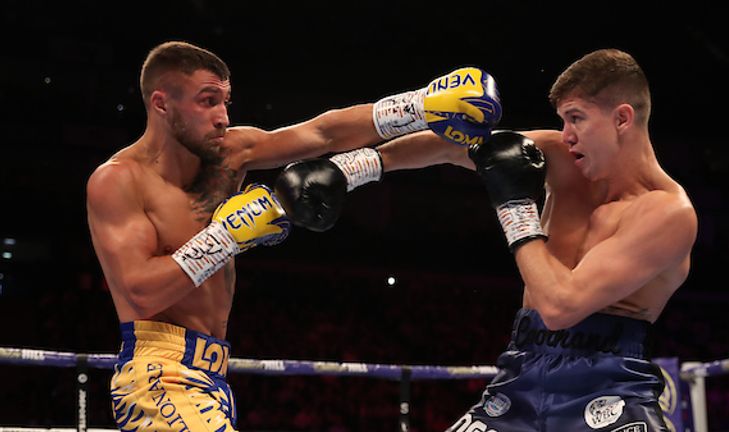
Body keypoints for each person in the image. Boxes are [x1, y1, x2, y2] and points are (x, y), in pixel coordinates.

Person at [85, 40, 500, 432]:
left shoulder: (230, 154)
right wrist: (226, 236)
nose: (223, 117)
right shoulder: (118, 181)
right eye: (207, 101)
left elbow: (322, 135)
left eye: (225, 102)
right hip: (157, 371)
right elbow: (140, 292)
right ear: (161, 103)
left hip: (213, 374)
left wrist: (418, 107)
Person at [276, 48, 697, 431]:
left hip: (608, 388)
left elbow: (559, 305)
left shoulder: (667, 213)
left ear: (622, 118)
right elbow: (454, 147)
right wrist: (354, 168)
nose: (565, 134)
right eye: (564, 121)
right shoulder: (561, 159)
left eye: (576, 119)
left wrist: (514, 206)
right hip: (520, 375)